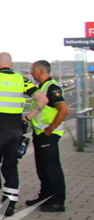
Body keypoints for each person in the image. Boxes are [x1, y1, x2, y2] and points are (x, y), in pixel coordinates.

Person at [0, 52, 47, 217]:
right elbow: (43, 99)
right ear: (12, 65)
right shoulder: (22, 80)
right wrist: (27, 118)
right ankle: (9, 206)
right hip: (16, 129)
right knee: (10, 166)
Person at [25, 60, 68, 212]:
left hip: (48, 134)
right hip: (40, 133)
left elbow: (63, 110)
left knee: (52, 167)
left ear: (41, 71)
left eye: (33, 70)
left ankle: (58, 200)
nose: (31, 73)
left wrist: (50, 129)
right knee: (42, 168)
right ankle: (45, 196)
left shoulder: (52, 87)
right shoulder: (42, 87)